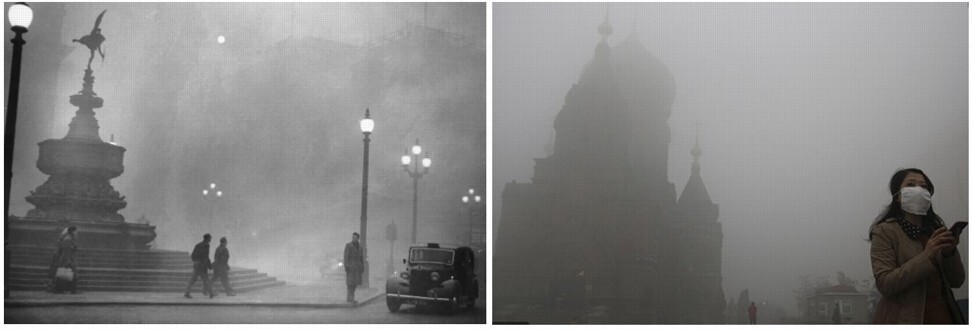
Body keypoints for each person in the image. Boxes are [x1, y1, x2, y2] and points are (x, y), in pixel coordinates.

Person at [869, 168, 965, 324]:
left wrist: (950, 253)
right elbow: (885, 283)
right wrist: (926, 257)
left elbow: (957, 281)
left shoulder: (936, 230)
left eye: (923, 186)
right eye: (911, 185)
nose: (918, 190)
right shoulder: (884, 231)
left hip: (945, 318)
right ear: (898, 196)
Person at [47, 226, 79, 294]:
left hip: (67, 259)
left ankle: (68, 290)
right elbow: (66, 252)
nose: (77, 233)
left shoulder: (69, 239)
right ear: (72, 232)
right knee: (71, 274)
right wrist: (68, 261)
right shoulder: (68, 240)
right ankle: (70, 290)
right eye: (76, 231)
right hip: (67, 259)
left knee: (68, 274)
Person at [185, 233, 217, 299]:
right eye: (210, 238)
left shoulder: (199, 245)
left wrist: (196, 262)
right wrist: (208, 265)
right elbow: (205, 256)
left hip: (198, 265)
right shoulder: (205, 245)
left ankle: (187, 292)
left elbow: (193, 255)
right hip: (201, 265)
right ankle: (211, 293)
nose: (211, 239)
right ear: (207, 238)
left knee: (194, 279)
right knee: (205, 279)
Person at [344, 232, 364, 303]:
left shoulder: (360, 247)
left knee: (355, 284)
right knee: (350, 284)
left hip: (357, 268)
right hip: (351, 268)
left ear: (358, 238)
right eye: (352, 237)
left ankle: (350, 298)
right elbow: (346, 257)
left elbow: (361, 258)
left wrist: (362, 267)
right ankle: (350, 298)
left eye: (355, 237)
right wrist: (346, 266)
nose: (353, 239)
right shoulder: (348, 246)